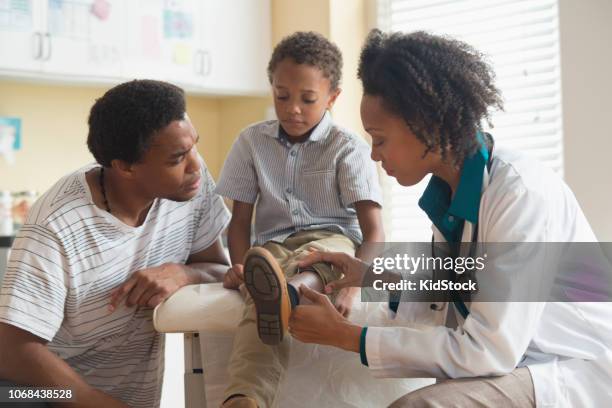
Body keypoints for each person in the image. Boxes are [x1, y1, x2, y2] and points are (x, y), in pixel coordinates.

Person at [289, 29, 612, 407]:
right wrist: (367, 275)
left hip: (574, 369)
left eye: (379, 139)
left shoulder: (520, 195)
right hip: (524, 363)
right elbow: (446, 294)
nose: (374, 155)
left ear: (425, 125)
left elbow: (489, 349)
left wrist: (346, 335)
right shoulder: (452, 195)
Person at [0, 80, 231, 408]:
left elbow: (220, 268)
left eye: (194, 145)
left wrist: (183, 274)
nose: (195, 164)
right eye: (177, 157)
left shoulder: (190, 183)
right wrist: (98, 403)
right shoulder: (56, 225)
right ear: (125, 167)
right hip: (42, 394)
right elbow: (11, 351)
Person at [214, 31, 384, 408]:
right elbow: (239, 221)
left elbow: (374, 231)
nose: (293, 108)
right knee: (262, 284)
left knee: (315, 260)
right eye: (281, 96)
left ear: (332, 97)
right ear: (271, 88)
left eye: (308, 100)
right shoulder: (250, 142)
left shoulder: (348, 147)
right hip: (272, 247)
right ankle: (245, 398)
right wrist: (240, 267)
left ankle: (287, 292)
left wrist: (355, 284)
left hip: (332, 241)